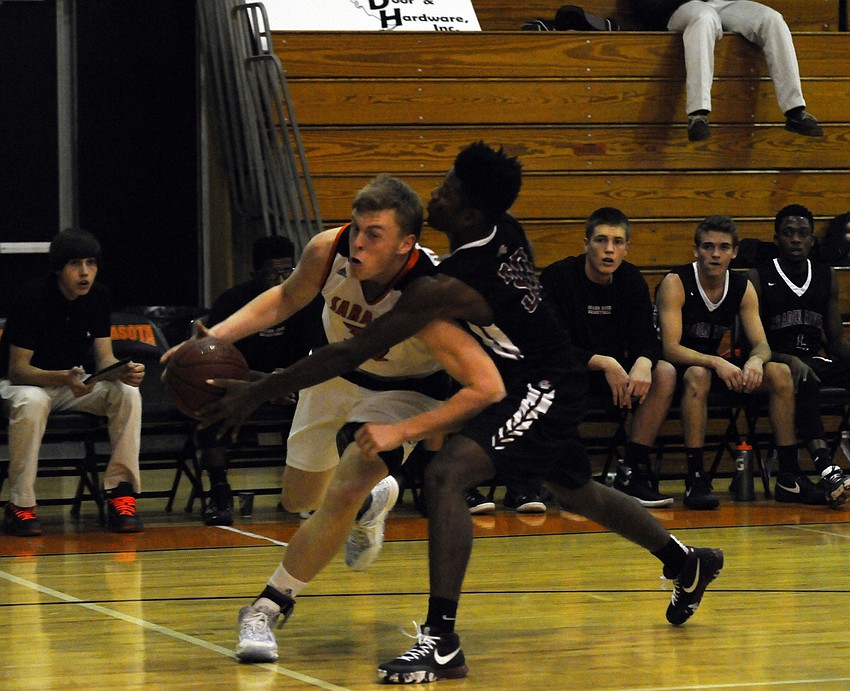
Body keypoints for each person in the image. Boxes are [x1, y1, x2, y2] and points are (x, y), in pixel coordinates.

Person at [199, 142, 723, 682]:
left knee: (448, 475)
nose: (435, 193)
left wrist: (257, 391)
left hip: (536, 381)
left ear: (471, 211)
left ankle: (441, 641)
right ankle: (687, 562)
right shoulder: (502, 227)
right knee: (573, 490)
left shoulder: (448, 285)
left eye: (447, 189)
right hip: (536, 372)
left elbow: (350, 351)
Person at [177, 173, 505, 663]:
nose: (358, 240)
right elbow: (287, 298)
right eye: (355, 228)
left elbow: (485, 385)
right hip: (332, 370)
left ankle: (266, 607)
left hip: (405, 392)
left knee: (346, 485)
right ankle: (374, 503)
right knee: (299, 498)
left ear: (405, 243)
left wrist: (410, 430)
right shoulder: (327, 251)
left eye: (374, 233)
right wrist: (214, 339)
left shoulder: (431, 293)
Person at [0, 228, 146, 536]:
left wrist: (120, 370)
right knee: (33, 401)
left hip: (70, 384)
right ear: (57, 267)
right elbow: (18, 371)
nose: (85, 273)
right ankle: (20, 505)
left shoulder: (99, 296)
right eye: (75, 264)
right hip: (22, 384)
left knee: (127, 394)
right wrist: (63, 378)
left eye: (91, 263)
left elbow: (104, 357)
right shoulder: (32, 297)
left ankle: (121, 492)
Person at [655, 214, 806, 509]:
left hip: (717, 368)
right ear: (696, 250)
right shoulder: (676, 282)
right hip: (679, 370)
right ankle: (696, 477)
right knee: (698, 374)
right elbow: (670, 348)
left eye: (723, 247)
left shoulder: (741, 286)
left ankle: (790, 475)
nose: (715, 254)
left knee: (779, 372)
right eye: (708, 247)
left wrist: (755, 362)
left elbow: (762, 344)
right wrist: (716, 362)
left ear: (734, 252)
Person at [540, 207, 677, 507]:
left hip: (615, 379)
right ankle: (557, 475)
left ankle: (632, 472)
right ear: (586, 243)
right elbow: (550, 346)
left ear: (627, 248)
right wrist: (604, 362)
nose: (609, 250)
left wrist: (643, 360)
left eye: (617, 242)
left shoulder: (631, 280)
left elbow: (649, 338)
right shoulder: (559, 277)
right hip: (568, 373)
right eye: (601, 240)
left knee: (664, 372)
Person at [198, 234, 323, 526]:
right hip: (242, 384)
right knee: (212, 402)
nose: (280, 280)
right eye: (271, 273)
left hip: (291, 385)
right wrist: (266, 385)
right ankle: (219, 491)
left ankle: (310, 491)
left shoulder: (309, 300)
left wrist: (285, 383)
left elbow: (319, 354)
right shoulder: (232, 302)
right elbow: (213, 363)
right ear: (255, 275)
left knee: (326, 398)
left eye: (287, 272)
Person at [748, 204, 850, 506]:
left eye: (802, 234)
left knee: (811, 369)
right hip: (772, 362)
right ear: (776, 238)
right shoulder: (759, 276)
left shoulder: (825, 275)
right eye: (788, 233)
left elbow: (836, 341)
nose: (795, 240)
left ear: (812, 240)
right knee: (801, 375)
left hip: (814, 359)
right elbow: (752, 342)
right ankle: (824, 465)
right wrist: (786, 358)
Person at [635, 0, 823, 142]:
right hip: (680, 6)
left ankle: (795, 110)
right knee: (704, 18)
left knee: (772, 19)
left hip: (724, 3)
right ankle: (697, 113)